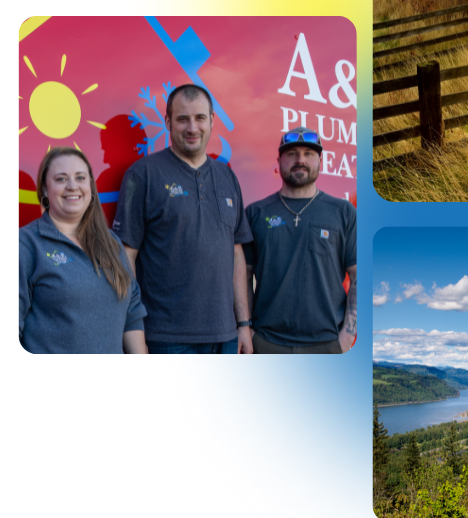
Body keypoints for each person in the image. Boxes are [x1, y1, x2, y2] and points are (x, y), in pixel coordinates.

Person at [113, 84, 254, 354]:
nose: (192, 128)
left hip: (225, 337)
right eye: (182, 119)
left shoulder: (228, 178)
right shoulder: (143, 175)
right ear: (167, 122)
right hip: (165, 337)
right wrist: (133, 330)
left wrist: (243, 324)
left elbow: (236, 254)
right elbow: (125, 257)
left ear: (212, 121)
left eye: (200, 118)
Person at [19, 147, 147, 354]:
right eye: (61, 179)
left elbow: (132, 313)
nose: (72, 186)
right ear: (44, 189)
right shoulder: (25, 244)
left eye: (80, 178)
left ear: (90, 186)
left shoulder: (111, 242)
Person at [244, 127, 356, 354]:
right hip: (267, 344)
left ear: (320, 161)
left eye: (309, 154)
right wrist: (247, 330)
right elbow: (242, 277)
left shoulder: (343, 212)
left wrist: (349, 333)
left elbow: (359, 274)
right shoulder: (256, 213)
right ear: (279, 160)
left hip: (328, 345)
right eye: (292, 153)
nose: (300, 160)